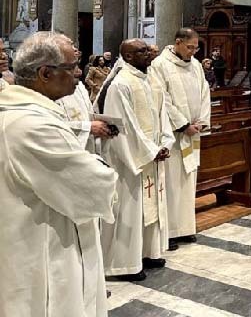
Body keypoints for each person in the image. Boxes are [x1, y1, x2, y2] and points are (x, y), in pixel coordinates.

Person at [0, 31, 117, 317]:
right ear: (45, 73)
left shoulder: (23, 111)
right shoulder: (31, 125)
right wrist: (101, 167)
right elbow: (93, 184)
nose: (79, 73)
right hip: (45, 243)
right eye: (71, 67)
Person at [99, 38, 173, 282]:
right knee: (129, 210)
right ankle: (124, 263)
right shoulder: (121, 84)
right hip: (128, 158)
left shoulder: (151, 79)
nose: (149, 54)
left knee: (150, 206)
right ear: (128, 56)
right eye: (142, 51)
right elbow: (126, 127)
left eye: (148, 50)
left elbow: (162, 115)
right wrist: (151, 150)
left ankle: (148, 252)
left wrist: (164, 143)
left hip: (151, 153)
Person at [148, 28, 211, 250]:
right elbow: (161, 98)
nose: (194, 52)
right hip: (173, 135)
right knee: (172, 183)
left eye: (196, 47)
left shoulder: (194, 65)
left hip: (193, 132)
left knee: (188, 180)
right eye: (190, 47)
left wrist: (201, 121)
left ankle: (185, 227)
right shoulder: (160, 65)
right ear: (177, 43)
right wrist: (183, 124)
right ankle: (171, 231)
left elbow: (205, 93)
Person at [59, 49, 114, 153]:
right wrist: (88, 127)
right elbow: (52, 127)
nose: (79, 72)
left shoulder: (79, 86)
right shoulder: (47, 92)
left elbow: (89, 113)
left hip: (87, 146)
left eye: (77, 64)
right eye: (72, 66)